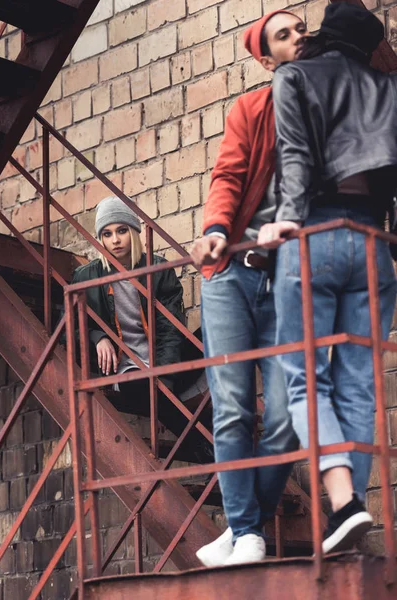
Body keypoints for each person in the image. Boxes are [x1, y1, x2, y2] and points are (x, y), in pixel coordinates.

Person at [258, 3, 397, 554]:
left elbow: (295, 154)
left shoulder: (294, 76)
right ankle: (352, 513)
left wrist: (286, 216)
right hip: (373, 243)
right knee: (361, 381)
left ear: (324, 37)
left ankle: (346, 504)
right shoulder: (390, 90)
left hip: (313, 234)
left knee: (303, 375)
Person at [191, 11, 309, 567]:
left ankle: (242, 525)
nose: (299, 36)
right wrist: (215, 231)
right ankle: (246, 530)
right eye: (284, 34)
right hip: (232, 273)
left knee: (289, 414)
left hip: (288, 279)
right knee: (234, 406)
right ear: (266, 59)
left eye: (302, 27)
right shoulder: (251, 109)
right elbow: (228, 176)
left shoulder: (330, 114)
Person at [71, 195, 213, 464]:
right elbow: (69, 329)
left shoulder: (158, 271)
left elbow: (171, 329)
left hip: (163, 362)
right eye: (107, 234)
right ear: (100, 239)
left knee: (214, 333)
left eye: (122, 231)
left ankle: (220, 428)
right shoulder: (86, 278)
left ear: (134, 233)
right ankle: (203, 445)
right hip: (127, 370)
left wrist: (164, 376)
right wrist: (97, 337)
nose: (115, 240)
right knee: (141, 386)